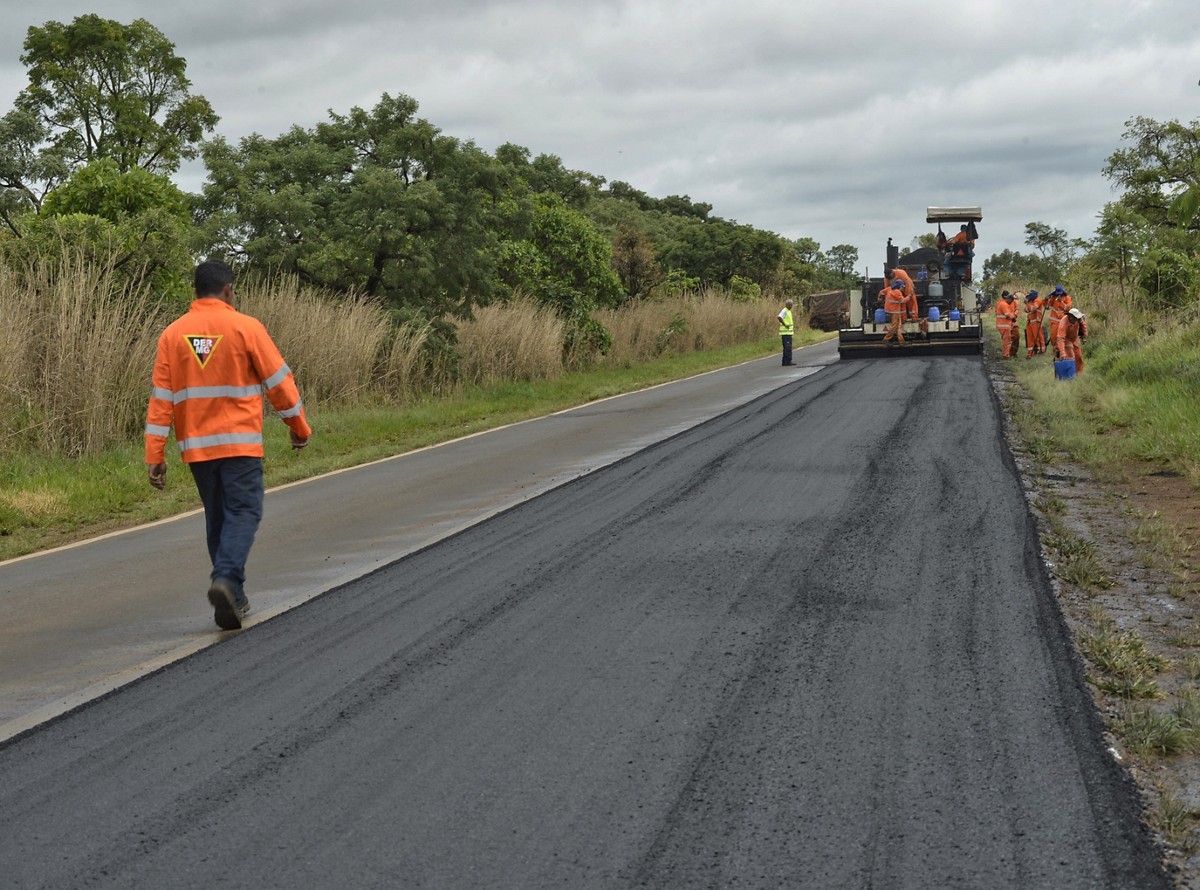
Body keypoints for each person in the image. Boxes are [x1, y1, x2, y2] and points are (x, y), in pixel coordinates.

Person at [145, 260, 312, 630]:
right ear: (228, 290)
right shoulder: (245, 327)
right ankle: (225, 580)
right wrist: (298, 427)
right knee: (244, 512)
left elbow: (160, 400)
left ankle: (233, 596)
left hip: (198, 450)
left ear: (196, 291)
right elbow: (279, 383)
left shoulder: (172, 335)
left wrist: (154, 453)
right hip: (240, 445)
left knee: (218, 518)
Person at [1056, 306, 1088, 375]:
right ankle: (1070, 374)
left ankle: (1079, 374)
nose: (1076, 319)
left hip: (1075, 338)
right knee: (1070, 356)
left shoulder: (1079, 319)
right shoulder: (1063, 323)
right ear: (1070, 316)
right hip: (1066, 339)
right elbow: (1060, 338)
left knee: (1079, 356)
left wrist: (1084, 335)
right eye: (1075, 318)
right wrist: (1062, 352)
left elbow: (1084, 325)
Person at [1045, 285, 1073, 358]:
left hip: (1063, 322)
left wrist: (1061, 302)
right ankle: (1056, 353)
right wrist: (1046, 300)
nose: (1058, 295)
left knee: (1062, 337)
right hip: (1054, 322)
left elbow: (1068, 308)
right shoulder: (1053, 297)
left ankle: (1062, 352)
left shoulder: (1067, 298)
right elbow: (1047, 307)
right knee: (1054, 337)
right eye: (1057, 293)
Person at [881, 280, 909, 345]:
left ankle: (901, 341)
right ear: (900, 286)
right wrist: (909, 296)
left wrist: (880, 298)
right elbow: (903, 301)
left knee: (899, 325)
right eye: (903, 287)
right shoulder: (897, 292)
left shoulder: (889, 289)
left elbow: (881, 292)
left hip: (890, 310)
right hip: (894, 311)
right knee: (894, 326)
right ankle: (886, 339)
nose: (903, 288)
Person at [994, 289, 1020, 359]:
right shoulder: (1002, 304)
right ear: (1006, 297)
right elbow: (1007, 315)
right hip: (1005, 325)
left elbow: (1017, 309)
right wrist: (1013, 316)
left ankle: (1012, 353)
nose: (1011, 301)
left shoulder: (1010, 301)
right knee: (1007, 341)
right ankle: (1006, 355)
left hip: (1010, 324)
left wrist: (1015, 314)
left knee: (1015, 338)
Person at [1024, 289, 1046, 358]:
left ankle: (1041, 351)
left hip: (1036, 322)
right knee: (1030, 338)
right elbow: (1026, 310)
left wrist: (1027, 303)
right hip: (1030, 322)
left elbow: (1033, 308)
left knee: (1038, 337)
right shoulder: (1030, 301)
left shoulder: (1038, 300)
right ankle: (1030, 353)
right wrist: (1027, 303)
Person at [777, 299, 795, 365]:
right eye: (790, 304)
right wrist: (785, 325)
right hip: (785, 333)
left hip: (788, 333)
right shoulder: (784, 310)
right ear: (787, 304)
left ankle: (785, 361)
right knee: (787, 348)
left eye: (791, 304)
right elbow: (779, 317)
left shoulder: (789, 311)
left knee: (787, 348)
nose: (791, 306)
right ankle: (787, 361)